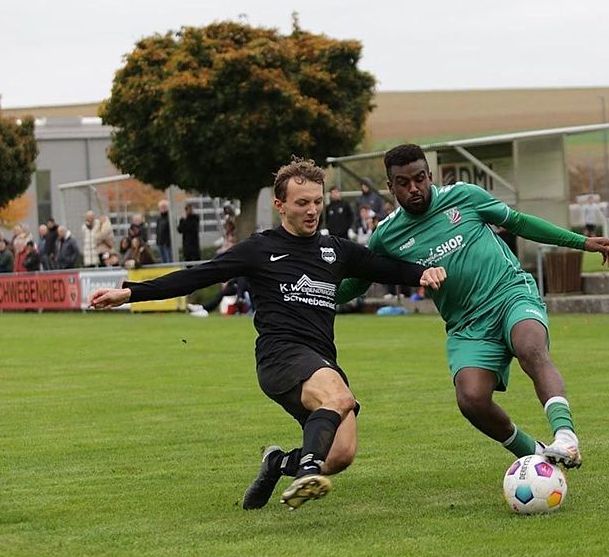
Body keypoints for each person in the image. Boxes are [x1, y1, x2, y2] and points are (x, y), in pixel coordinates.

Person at [88, 157, 447, 511]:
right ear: (280, 205)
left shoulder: (334, 250)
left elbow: (385, 267)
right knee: (339, 398)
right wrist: (131, 292)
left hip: (321, 359)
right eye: (302, 203)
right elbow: (198, 275)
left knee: (340, 455)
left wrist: (422, 274)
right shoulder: (260, 249)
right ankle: (306, 472)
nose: (312, 211)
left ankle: (278, 463)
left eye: (318, 202)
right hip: (281, 357)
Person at [337, 144, 609, 470]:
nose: (414, 188)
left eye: (420, 179)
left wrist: (581, 241)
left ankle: (566, 438)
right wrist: (317, 294)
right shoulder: (386, 235)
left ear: (430, 176)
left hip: (509, 294)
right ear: (390, 187)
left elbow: (518, 222)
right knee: (471, 399)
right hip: (467, 325)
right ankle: (537, 455)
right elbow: (358, 283)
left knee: (530, 346)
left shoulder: (465, 197)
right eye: (403, 183)